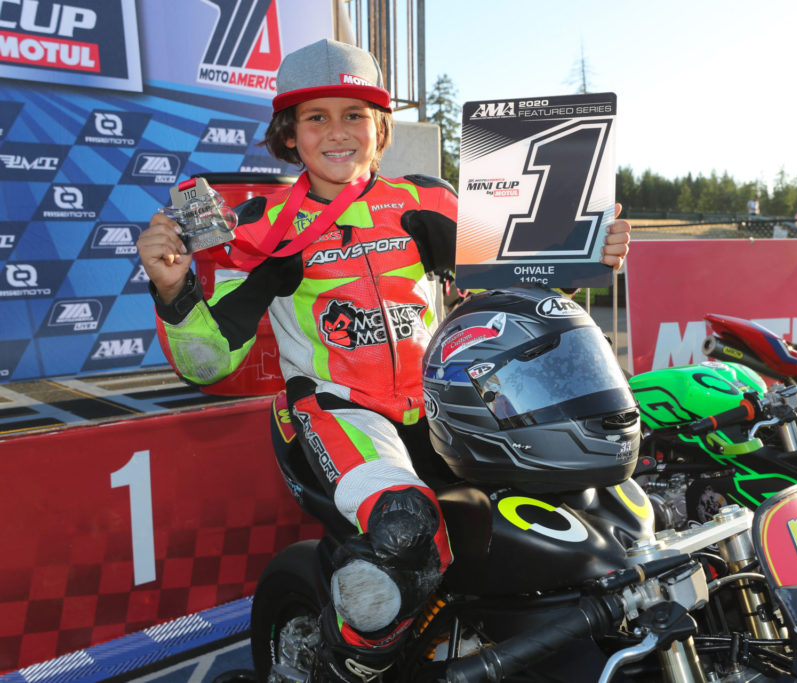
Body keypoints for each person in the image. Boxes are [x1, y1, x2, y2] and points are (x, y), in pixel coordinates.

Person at [136, 38, 631, 681]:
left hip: (443, 411)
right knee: (405, 530)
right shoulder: (264, 225)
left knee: (587, 506)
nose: (337, 132)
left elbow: (515, 285)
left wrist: (586, 255)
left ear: (380, 130)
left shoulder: (426, 199)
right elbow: (209, 361)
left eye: (355, 115)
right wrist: (174, 290)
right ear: (289, 133)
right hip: (339, 415)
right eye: (317, 117)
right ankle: (347, 668)